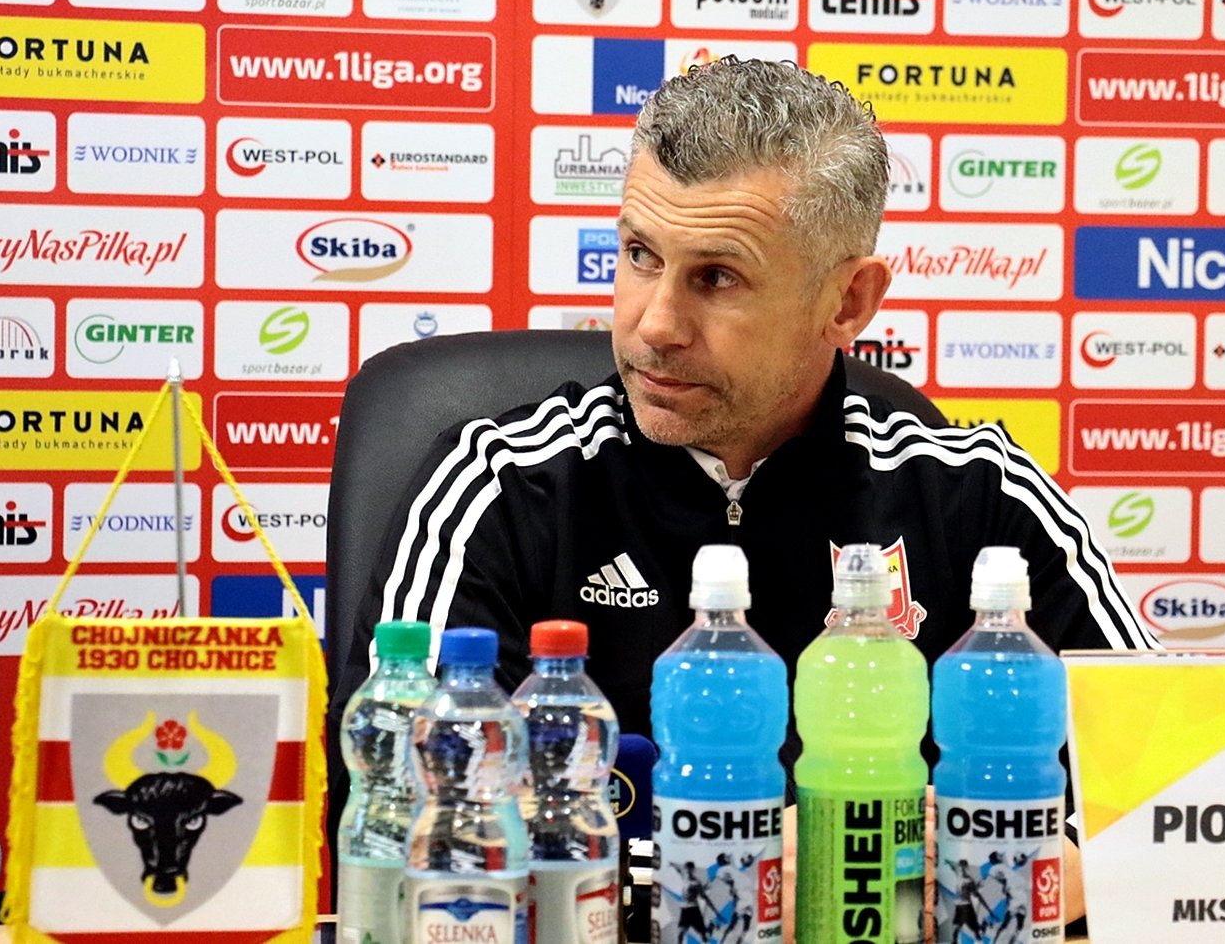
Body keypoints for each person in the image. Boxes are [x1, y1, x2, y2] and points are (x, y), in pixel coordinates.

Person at [335, 57, 1158, 923]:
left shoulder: (981, 496)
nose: (655, 322)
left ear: (848, 301)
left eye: (717, 277)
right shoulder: (498, 484)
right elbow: (402, 825)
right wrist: (736, 869)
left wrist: (906, 865)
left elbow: (1163, 802)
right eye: (640, 255)